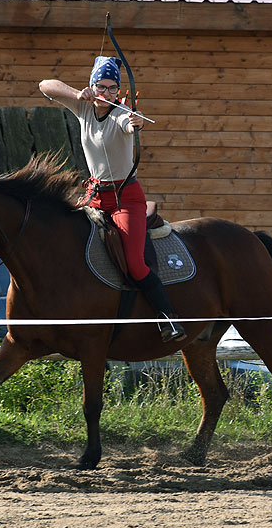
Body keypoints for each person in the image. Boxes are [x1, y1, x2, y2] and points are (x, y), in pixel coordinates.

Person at [39, 56, 186, 343]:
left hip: (125, 199)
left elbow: (131, 124)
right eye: (100, 86)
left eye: (111, 88)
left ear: (118, 92)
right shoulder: (83, 107)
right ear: (92, 85)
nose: (105, 93)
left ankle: (167, 318)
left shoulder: (122, 114)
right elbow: (45, 85)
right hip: (93, 196)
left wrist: (136, 123)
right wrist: (77, 93)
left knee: (134, 263)